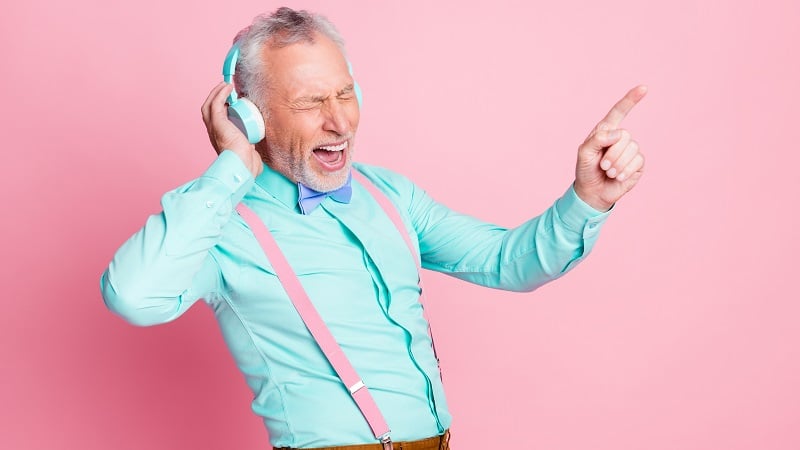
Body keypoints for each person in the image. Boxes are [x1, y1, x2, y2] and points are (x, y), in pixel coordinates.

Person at [101, 7, 646, 450]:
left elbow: (510, 261)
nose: (340, 121)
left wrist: (588, 199)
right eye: (311, 102)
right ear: (252, 116)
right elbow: (133, 295)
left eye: (344, 93)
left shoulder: (391, 194)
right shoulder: (220, 225)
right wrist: (228, 168)